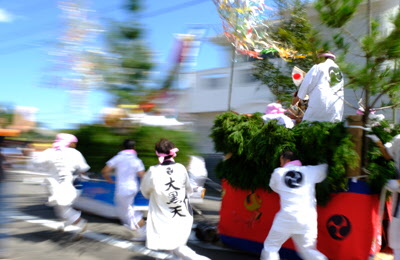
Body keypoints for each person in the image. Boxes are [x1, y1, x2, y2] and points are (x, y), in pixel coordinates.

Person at [140, 138, 210, 260]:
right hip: (183, 213)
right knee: (173, 247)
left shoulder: (153, 171)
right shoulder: (181, 168)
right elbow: (188, 189)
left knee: (175, 247)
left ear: (157, 153)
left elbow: (145, 191)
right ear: (173, 153)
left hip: (163, 214)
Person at [260, 151, 328, 260]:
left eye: (281, 161)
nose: (280, 164)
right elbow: (326, 169)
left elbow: (274, 187)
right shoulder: (310, 171)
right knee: (308, 250)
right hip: (307, 218)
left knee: (271, 247)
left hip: (286, 217)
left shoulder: (278, 173)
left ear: (286, 160)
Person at [32, 133, 89, 235]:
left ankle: (81, 223)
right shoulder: (75, 153)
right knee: (61, 208)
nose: (74, 145)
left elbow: (36, 162)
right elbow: (83, 168)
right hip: (72, 184)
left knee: (62, 208)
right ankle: (65, 225)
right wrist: (83, 175)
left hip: (56, 185)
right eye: (73, 143)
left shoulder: (49, 152)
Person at [101, 139, 146, 240]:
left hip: (122, 189)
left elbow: (105, 171)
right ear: (134, 148)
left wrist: (109, 180)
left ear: (122, 147)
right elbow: (143, 176)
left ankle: (144, 232)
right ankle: (138, 229)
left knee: (127, 212)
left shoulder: (118, 158)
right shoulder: (137, 160)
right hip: (133, 188)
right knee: (126, 210)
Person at [368, 134, 400, 259]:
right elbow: (388, 155)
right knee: (396, 237)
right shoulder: (398, 139)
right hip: (398, 198)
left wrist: (398, 183)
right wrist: (378, 142)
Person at [291, 51, 344, 123]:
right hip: (336, 108)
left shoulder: (318, 67)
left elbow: (306, 84)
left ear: (323, 58)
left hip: (320, 105)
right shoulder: (339, 72)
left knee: (309, 126)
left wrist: (297, 99)